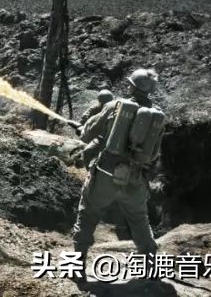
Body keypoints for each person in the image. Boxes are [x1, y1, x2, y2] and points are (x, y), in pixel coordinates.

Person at [71, 69, 166, 279]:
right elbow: (154, 153)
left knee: (87, 215)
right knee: (140, 221)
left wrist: (81, 129)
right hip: (136, 180)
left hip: (106, 174)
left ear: (131, 86)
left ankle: (77, 269)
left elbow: (87, 134)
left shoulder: (114, 106)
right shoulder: (157, 117)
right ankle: (152, 270)